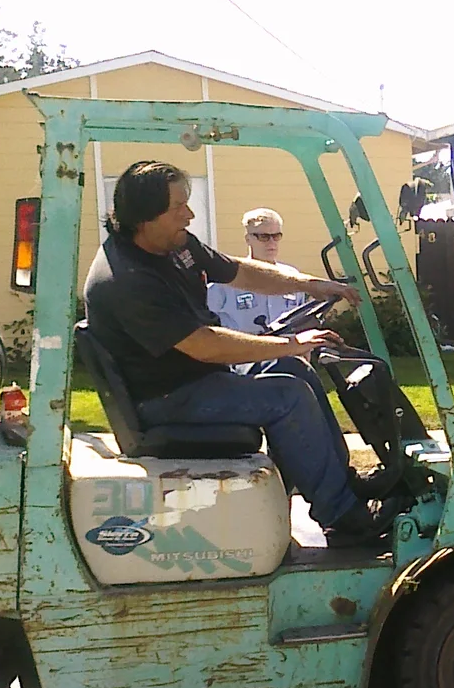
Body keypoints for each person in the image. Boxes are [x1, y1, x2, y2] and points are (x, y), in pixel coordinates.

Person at [83, 160, 390, 543]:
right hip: (166, 398)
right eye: (178, 207)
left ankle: (344, 484)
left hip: (194, 379)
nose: (189, 215)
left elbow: (239, 271)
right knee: (288, 395)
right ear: (145, 217)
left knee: (294, 370)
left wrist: (310, 285)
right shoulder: (128, 280)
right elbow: (205, 345)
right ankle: (344, 518)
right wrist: (293, 342)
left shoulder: (174, 247)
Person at [206, 208, 307, 342]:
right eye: (264, 237)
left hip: (285, 351)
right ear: (248, 239)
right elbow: (202, 320)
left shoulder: (292, 276)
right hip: (242, 352)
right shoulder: (228, 277)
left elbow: (301, 320)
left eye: (276, 236)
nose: (271, 242)